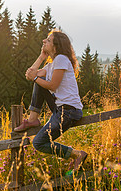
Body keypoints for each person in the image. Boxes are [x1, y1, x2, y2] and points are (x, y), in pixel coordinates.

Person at [14, 30, 88, 171]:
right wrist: (42, 57)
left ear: (56, 45)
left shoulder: (61, 59)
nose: (44, 41)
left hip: (69, 111)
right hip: (61, 108)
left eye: (48, 40)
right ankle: (33, 119)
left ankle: (77, 154)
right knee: (39, 82)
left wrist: (35, 78)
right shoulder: (53, 63)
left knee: (39, 142)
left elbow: (52, 85)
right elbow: (31, 74)